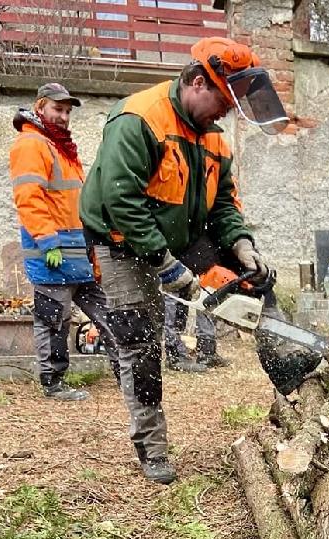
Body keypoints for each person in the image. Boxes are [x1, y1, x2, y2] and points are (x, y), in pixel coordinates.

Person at [79, 37, 287, 484]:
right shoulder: (139, 119)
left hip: (184, 232)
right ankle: (151, 446)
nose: (224, 115)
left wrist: (241, 245)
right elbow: (122, 202)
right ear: (197, 83)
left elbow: (224, 205)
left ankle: (288, 357)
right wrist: (169, 269)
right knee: (142, 340)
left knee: (253, 281)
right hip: (122, 240)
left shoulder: (213, 138)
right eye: (221, 103)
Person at [10, 82, 114, 401]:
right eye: (58, 109)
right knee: (54, 319)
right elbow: (29, 198)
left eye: (68, 111)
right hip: (51, 255)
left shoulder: (60, 147)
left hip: (78, 253)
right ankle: (53, 383)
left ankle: (129, 369)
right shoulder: (31, 144)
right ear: (40, 106)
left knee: (109, 312)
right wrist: (47, 241)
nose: (65, 116)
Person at [162, 265, 236, 372]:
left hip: (196, 258)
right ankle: (175, 356)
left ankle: (206, 352)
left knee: (203, 297)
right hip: (175, 259)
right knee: (176, 294)